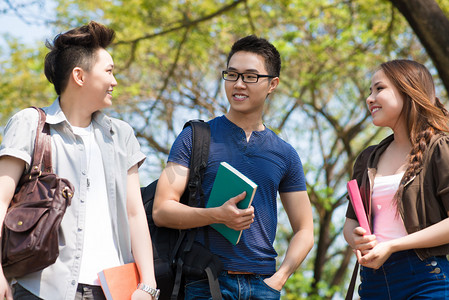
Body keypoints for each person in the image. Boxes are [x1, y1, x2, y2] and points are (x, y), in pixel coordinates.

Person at [0, 21, 157, 300]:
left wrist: (148, 285)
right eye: (108, 71)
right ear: (79, 76)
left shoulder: (121, 135)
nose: (114, 81)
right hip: (41, 289)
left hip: (113, 291)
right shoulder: (31, 123)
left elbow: (135, 213)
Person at [153, 35, 314, 299]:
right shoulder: (194, 137)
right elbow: (162, 210)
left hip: (263, 286)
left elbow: (305, 229)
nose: (238, 84)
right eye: (232, 74)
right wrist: (217, 215)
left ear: (272, 84)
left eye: (251, 76)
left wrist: (279, 279)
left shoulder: (285, 154)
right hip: (205, 282)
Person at [343, 59, 449, 299]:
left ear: (408, 90)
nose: (370, 98)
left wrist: (392, 245)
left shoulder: (440, 148)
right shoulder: (367, 159)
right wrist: (357, 239)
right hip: (373, 282)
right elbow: (350, 224)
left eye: (379, 89)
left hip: (426, 279)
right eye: (370, 91)